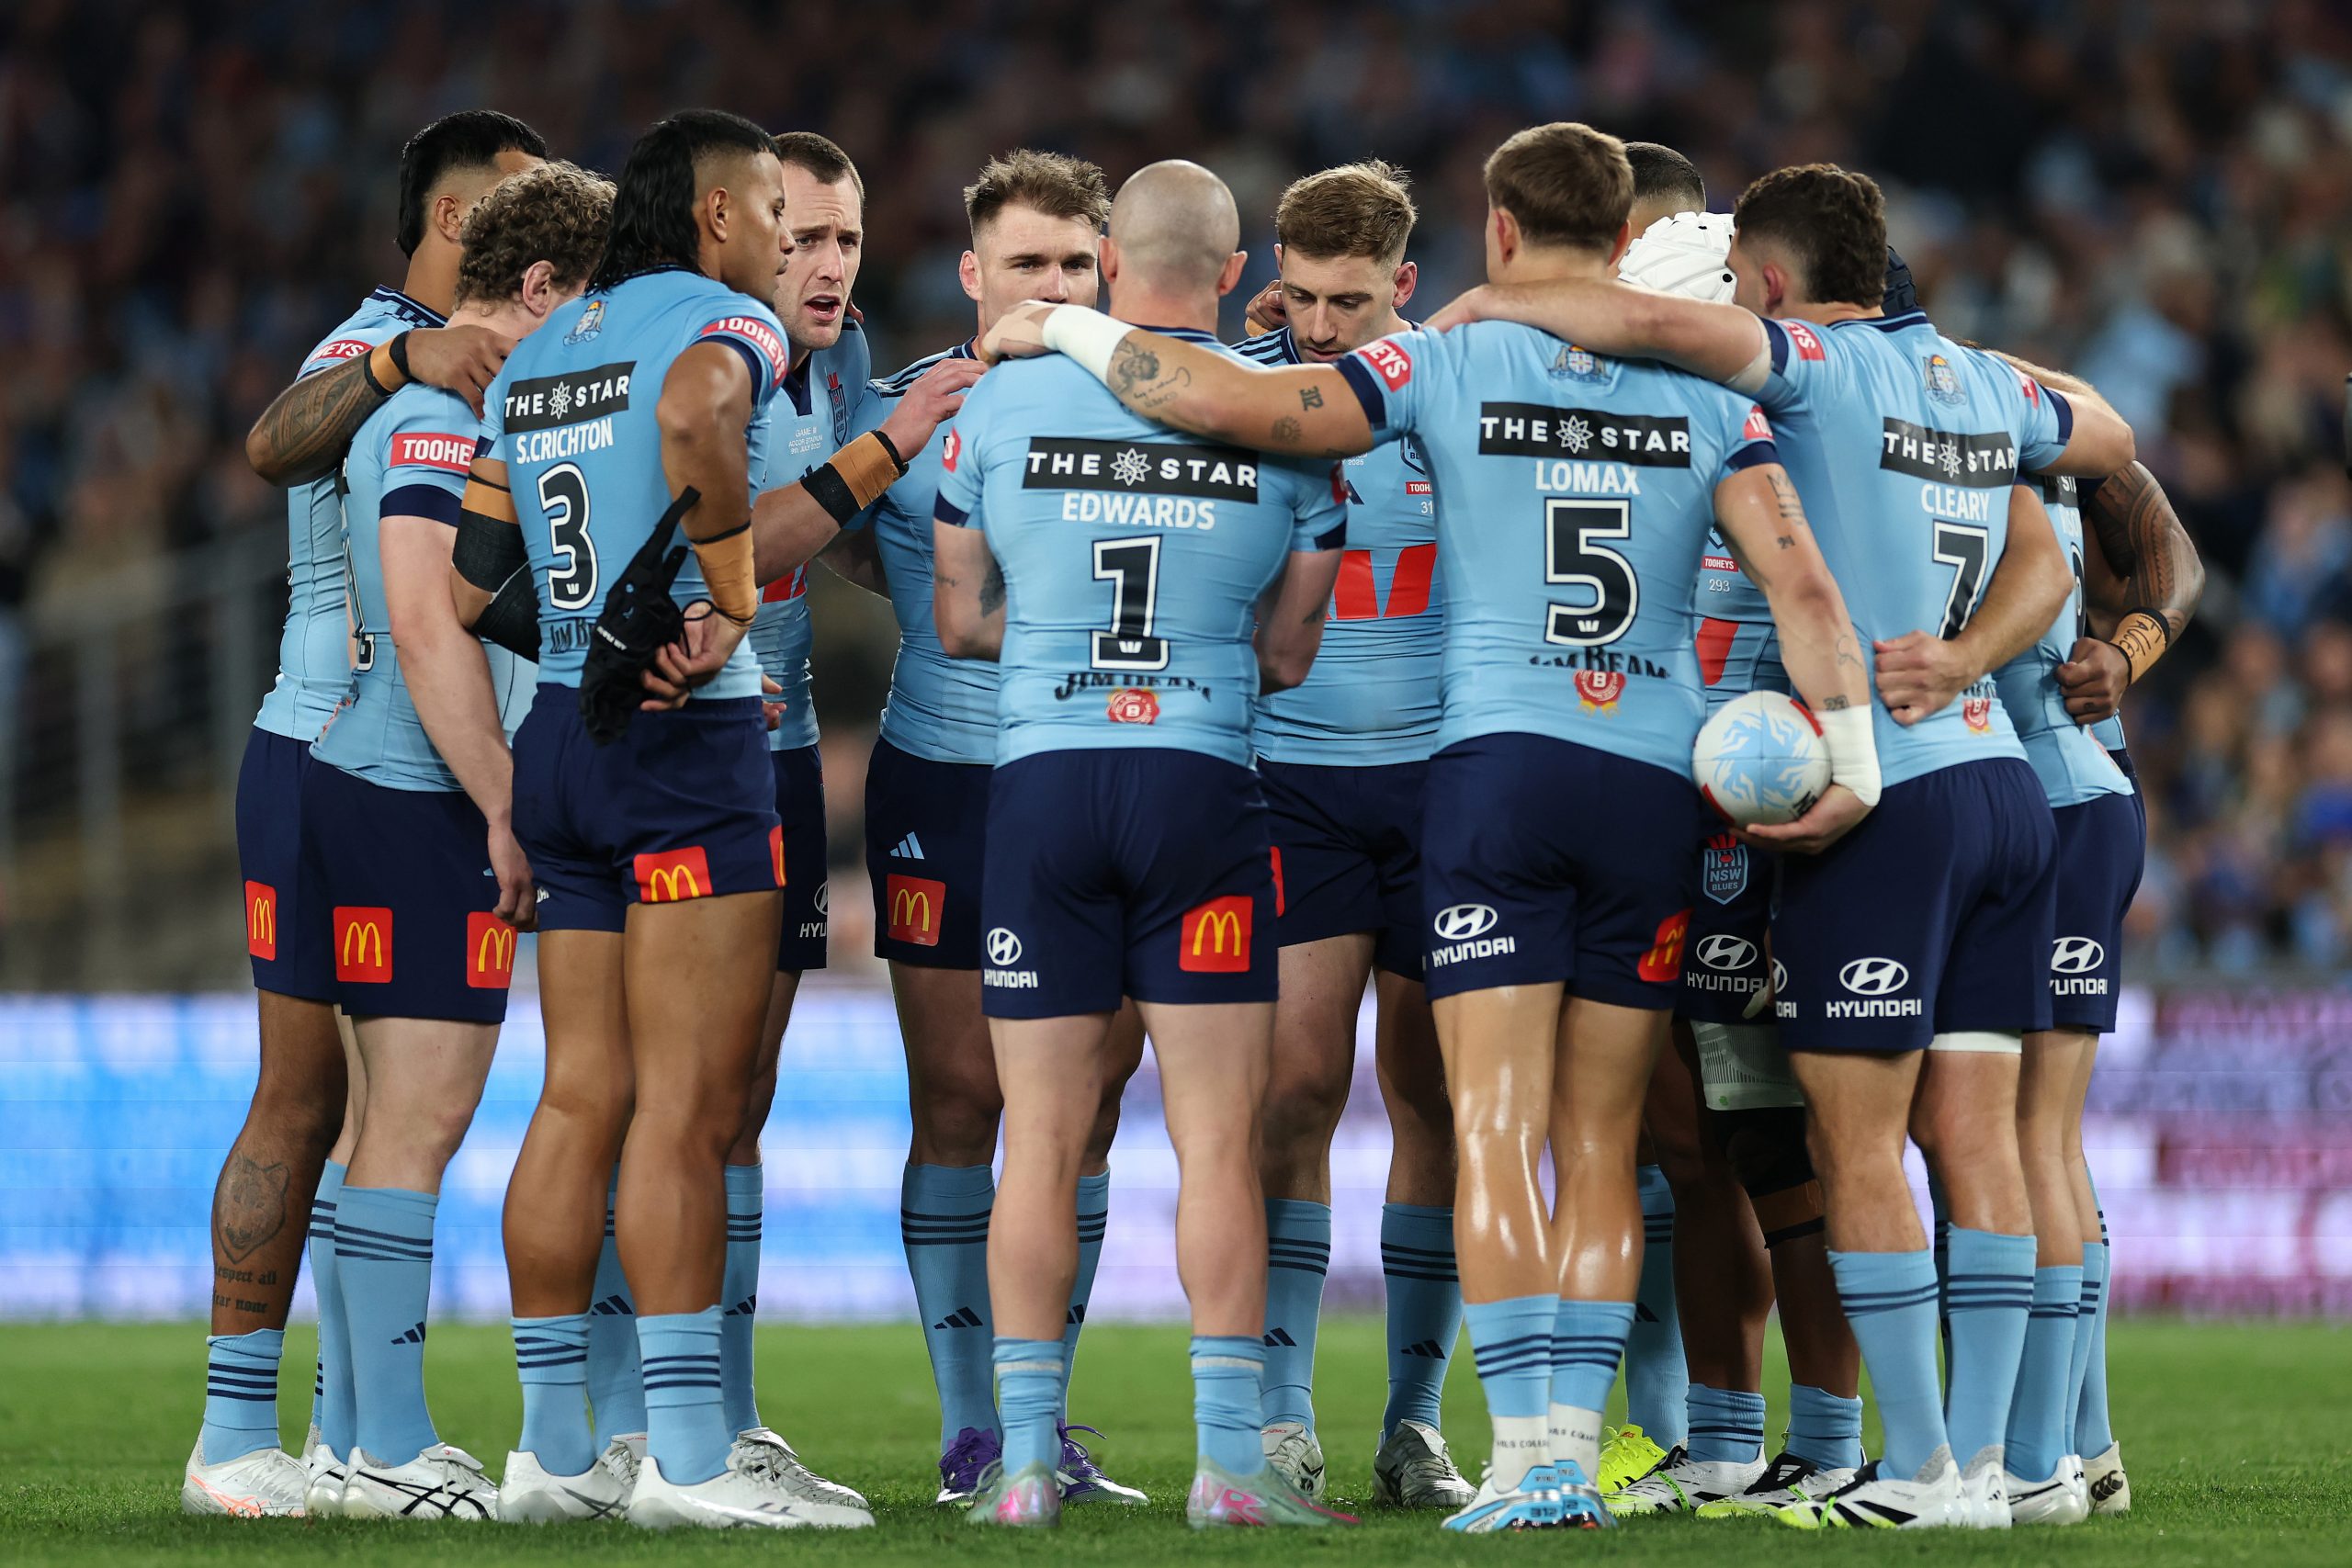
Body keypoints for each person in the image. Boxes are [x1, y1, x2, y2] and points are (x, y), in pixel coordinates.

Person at [984, 122, 1887, 1535]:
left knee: (1493, 1120)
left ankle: (1510, 1452)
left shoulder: (1443, 363)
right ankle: (1570, 1454)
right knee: (1597, 1137)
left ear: (1494, 234)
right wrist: (1857, 765)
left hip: (1491, 774)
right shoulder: (1719, 399)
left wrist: (1069, 330)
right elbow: (1811, 594)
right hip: (1650, 780)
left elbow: (1240, 411)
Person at [1430, 160, 2136, 1529]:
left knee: (1854, 1143)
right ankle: (2008, 1469)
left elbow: (1641, 328)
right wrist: (1974, 651)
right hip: (2005, 781)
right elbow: (2094, 457)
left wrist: (1478, 307)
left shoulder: (1807, 367)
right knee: (1977, 1131)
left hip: (1893, 793)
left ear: (1765, 277)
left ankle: (1926, 1468)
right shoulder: (1986, 385)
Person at [462, 109, 866, 1531]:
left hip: (561, 743)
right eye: (771, 206)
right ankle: (693, 1455)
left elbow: (474, 575)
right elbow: (699, 417)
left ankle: (555, 1448)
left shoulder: (546, 344)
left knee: (579, 1095)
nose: (781, 232)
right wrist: (728, 590)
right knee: (689, 1114)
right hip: (688, 750)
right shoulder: (725, 323)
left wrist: (596, 628)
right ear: (713, 215)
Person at [936, 160, 1352, 1530]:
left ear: (1107, 260)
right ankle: (1231, 1460)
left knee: (1042, 1138)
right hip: (1198, 784)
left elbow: (960, 616)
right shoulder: (1287, 421)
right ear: (1237, 276)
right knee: (1216, 1141)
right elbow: (1289, 656)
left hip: (1045, 780)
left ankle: (1027, 1467)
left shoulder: (997, 400)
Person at [188, 108, 546, 1520]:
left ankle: (313, 1432)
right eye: (526, 217)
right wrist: (407, 356)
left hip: (312, 753)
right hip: (374, 759)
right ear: (458, 223)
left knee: (327, 1100)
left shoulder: (450, 361)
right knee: (362, 1102)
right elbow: (274, 449)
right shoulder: (384, 355)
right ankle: (307, 1435)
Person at [832, 149, 1147, 1507]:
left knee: (1082, 1118)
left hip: (1106, 777)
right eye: (1028, 262)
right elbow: (834, 536)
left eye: (1078, 263)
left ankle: (1046, 1420)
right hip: (948, 782)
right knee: (962, 1099)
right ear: (973, 276)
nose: (1055, 285)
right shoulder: (907, 420)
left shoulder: (1160, 405)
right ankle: (975, 1427)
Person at [302, 160, 608, 1520]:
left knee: (381, 1122)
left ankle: (350, 1433)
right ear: (537, 291)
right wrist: (503, 805)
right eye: (586, 311)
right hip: (417, 796)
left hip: (374, 788)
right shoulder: (432, 420)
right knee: (416, 1121)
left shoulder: (441, 412)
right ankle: (391, 1443)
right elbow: (428, 626)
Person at [1228, 160, 1471, 1511]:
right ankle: (1278, 1407)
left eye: (1352, 300)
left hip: (1444, 780)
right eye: (1304, 297)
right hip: (1299, 777)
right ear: (1276, 271)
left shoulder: (1450, 387)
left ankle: (1415, 1421)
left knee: (1432, 1090)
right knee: (1298, 1085)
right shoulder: (1242, 396)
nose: (1322, 328)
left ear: (1405, 288)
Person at [2001, 456, 2201, 1520]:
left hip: (2062, 793)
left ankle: (2042, 1459)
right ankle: (2084, 1447)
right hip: (2066, 795)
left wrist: (2128, 651)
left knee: (2027, 1132)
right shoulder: (2044, 418)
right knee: (2045, 1138)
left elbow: (2176, 558)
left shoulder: (2039, 422)